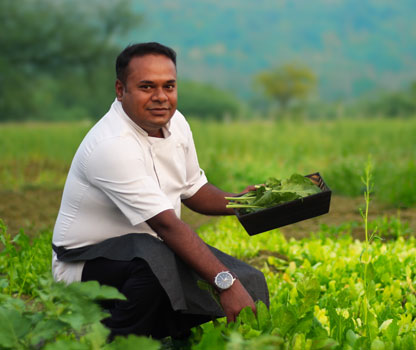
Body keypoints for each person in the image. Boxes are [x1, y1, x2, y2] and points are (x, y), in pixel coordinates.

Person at [52, 42, 269, 341]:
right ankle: (115, 342)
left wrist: (244, 202)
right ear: (120, 89)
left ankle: (165, 336)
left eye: (169, 86)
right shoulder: (112, 145)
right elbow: (167, 225)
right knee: (163, 270)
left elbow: (194, 189)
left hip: (150, 250)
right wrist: (225, 284)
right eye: (146, 87)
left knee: (249, 279)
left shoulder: (175, 123)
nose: (160, 97)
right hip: (85, 262)